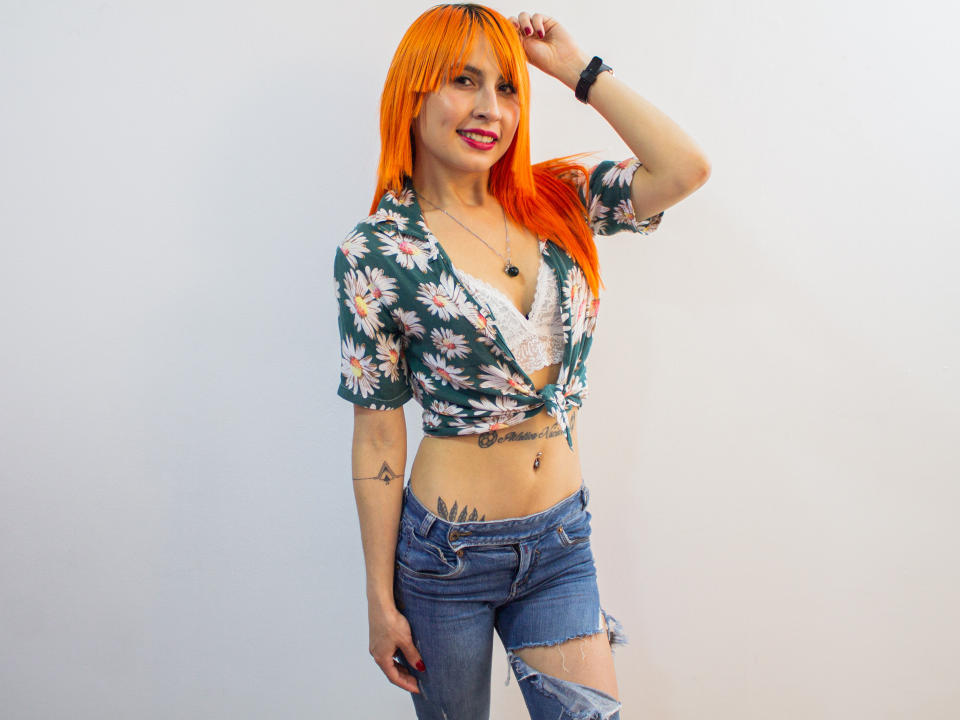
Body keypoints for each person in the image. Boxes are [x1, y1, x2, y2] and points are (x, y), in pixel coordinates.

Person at [333, 4, 710, 719]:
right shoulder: (377, 252)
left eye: (507, 87)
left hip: (560, 542)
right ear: (413, 92)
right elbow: (378, 434)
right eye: (463, 80)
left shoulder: (557, 201)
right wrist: (379, 600)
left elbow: (684, 168)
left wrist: (576, 70)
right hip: (447, 556)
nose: (490, 108)